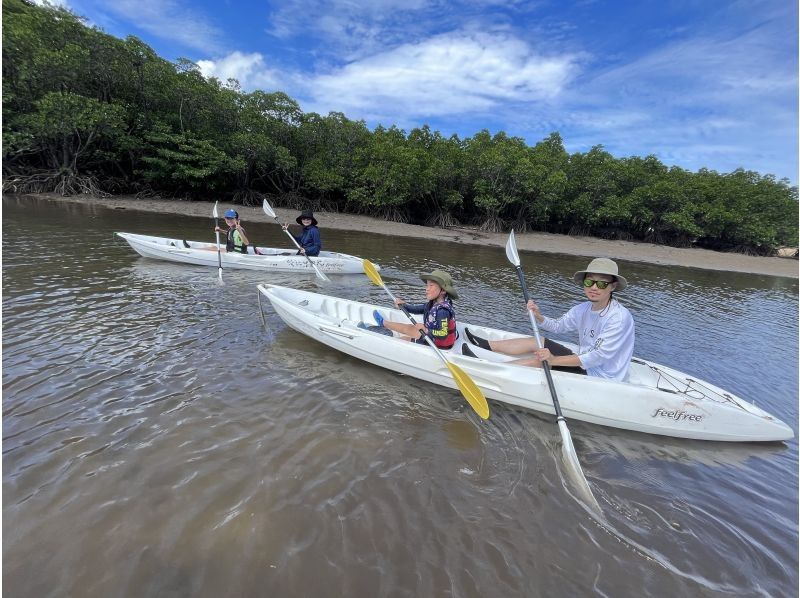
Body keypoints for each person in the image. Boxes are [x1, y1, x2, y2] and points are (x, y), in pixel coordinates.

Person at [463, 258, 635, 381]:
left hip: (599, 375)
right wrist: (539, 316)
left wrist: (553, 360)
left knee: (540, 361)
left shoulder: (618, 318)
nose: (594, 288)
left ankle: (487, 371)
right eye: (589, 282)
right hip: (585, 361)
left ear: (612, 286)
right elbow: (559, 326)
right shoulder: (582, 309)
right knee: (539, 341)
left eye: (602, 284)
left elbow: (598, 357)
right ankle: (484, 346)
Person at [362, 270, 459, 350]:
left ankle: (380, 341)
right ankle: (384, 323)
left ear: (443, 291)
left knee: (404, 339)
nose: (427, 289)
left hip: (438, 344)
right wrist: (403, 305)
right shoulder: (433, 303)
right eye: (427, 285)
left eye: (431, 286)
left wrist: (426, 330)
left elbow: (443, 334)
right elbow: (416, 309)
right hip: (431, 336)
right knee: (409, 327)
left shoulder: (442, 311)